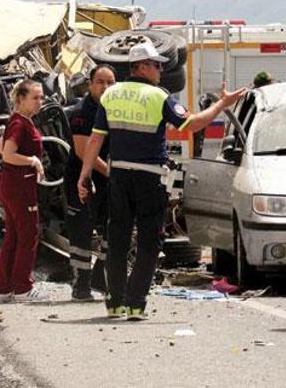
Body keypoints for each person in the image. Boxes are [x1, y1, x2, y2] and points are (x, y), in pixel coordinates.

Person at [77, 41, 247, 320]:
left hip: (118, 176)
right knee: (148, 242)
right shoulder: (159, 96)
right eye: (156, 65)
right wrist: (222, 104)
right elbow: (192, 124)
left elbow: (96, 138)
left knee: (117, 240)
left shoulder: (111, 95)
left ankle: (114, 303)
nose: (161, 69)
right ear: (142, 67)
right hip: (150, 178)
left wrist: (85, 175)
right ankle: (135, 304)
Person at [65, 64, 116, 300]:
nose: (105, 87)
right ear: (90, 84)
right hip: (83, 179)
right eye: (100, 82)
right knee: (82, 233)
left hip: (106, 181)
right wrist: (111, 173)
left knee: (113, 229)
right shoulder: (83, 111)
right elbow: (83, 150)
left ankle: (99, 277)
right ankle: (81, 284)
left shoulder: (113, 109)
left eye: (110, 82)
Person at [0, 79, 46, 302]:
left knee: (13, 236)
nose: (40, 102)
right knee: (28, 235)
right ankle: (23, 288)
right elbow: (7, 154)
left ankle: (4, 288)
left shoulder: (16, 121)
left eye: (41, 97)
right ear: (21, 99)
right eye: (35, 98)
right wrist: (32, 161)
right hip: (20, 186)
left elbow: (0, 147)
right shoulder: (19, 124)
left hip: (11, 184)